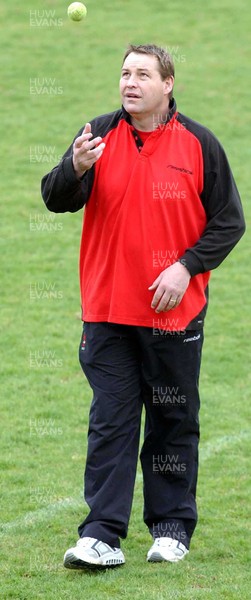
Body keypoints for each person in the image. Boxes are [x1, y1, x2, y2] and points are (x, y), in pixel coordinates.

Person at [41, 43, 245, 570]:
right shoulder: (97, 135)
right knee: (111, 420)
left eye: (143, 74)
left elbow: (228, 222)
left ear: (167, 84)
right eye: (125, 73)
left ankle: (172, 527)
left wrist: (185, 266)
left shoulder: (200, 144)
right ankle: (101, 534)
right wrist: (73, 167)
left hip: (173, 317)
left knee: (172, 418)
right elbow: (55, 197)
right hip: (106, 311)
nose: (130, 82)